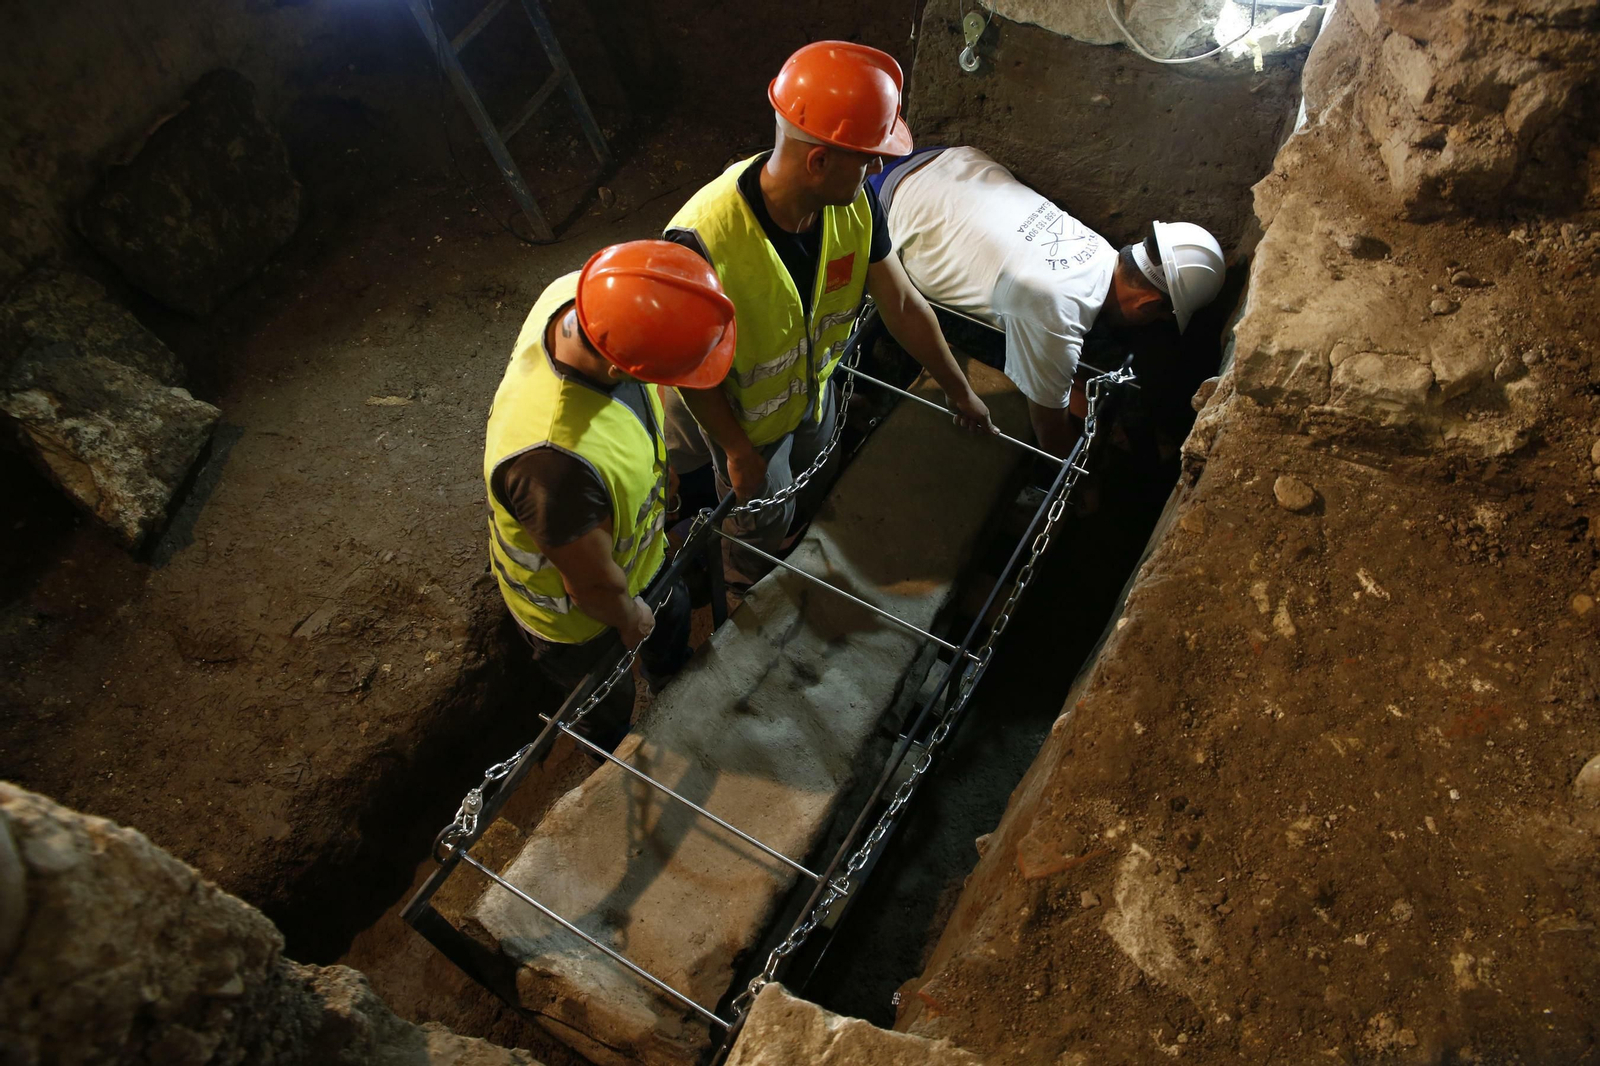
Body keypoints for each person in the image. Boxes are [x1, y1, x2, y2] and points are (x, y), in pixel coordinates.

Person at [661, 41, 995, 588]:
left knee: (812, 476)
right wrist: (738, 451)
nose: (879, 168)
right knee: (761, 521)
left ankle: (781, 544)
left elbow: (905, 304)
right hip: (745, 424)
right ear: (818, 161)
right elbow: (687, 367)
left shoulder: (854, 208)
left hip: (814, 392)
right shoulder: (703, 241)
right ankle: (744, 581)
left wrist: (960, 392)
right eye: (867, 158)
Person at [484, 240, 737, 750]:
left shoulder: (584, 297)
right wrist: (627, 614)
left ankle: (674, 685)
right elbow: (591, 587)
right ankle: (615, 754)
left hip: (640, 559)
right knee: (606, 699)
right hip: (580, 619)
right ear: (626, 367)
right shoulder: (553, 462)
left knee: (671, 624)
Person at [871, 145, 1226, 457]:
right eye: (1158, 319)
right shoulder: (1055, 311)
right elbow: (1051, 436)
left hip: (943, 160)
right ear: (1148, 305)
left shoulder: (1099, 249)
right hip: (882, 204)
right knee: (996, 335)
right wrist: (1087, 488)